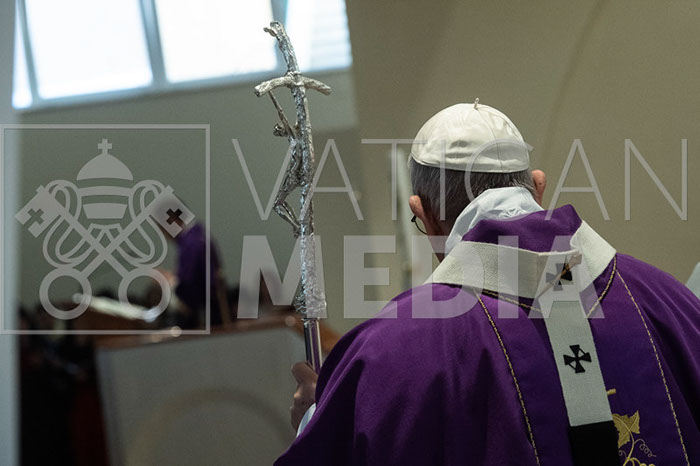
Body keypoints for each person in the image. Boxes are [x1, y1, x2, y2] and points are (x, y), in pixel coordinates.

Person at [275, 101, 700, 465]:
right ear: (537, 186)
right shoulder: (668, 302)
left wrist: (316, 416)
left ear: (424, 213)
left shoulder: (387, 354)